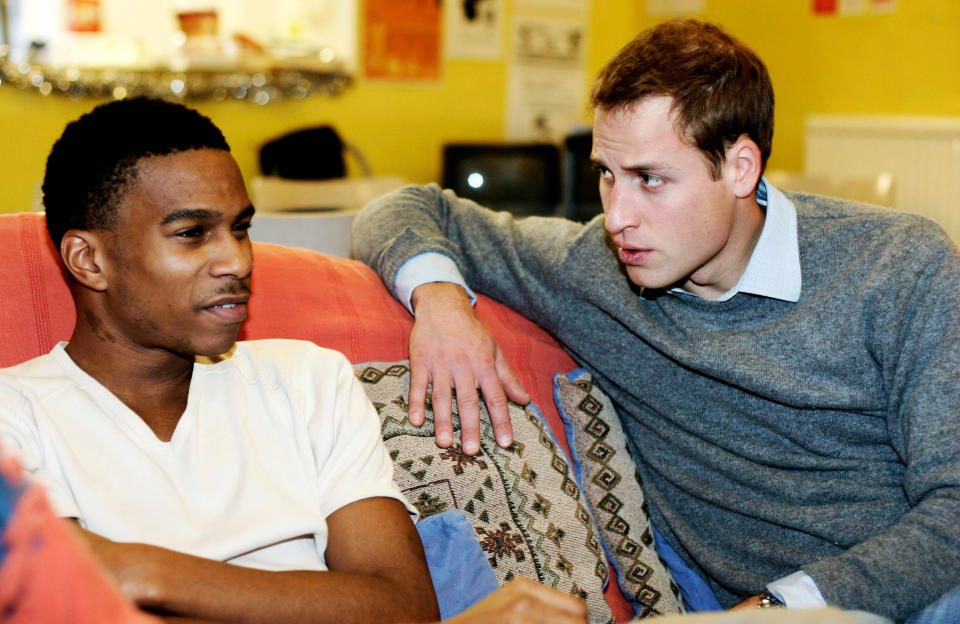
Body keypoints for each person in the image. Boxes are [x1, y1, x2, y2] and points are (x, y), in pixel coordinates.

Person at [352, 19, 960, 623]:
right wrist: (440, 302)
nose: (617, 216)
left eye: (650, 179)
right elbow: (402, 208)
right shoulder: (594, 269)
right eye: (606, 175)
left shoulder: (898, 266)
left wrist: (777, 609)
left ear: (741, 168)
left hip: (916, 595)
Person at [0, 97, 589, 624]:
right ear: (88, 260)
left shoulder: (305, 378)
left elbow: (403, 607)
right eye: (191, 234)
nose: (236, 259)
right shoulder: (16, 413)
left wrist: (140, 572)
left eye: (241, 228)